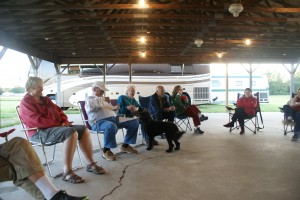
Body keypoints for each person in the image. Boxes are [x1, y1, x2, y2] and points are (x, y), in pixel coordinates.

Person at [19, 77, 105, 185]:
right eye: (38, 87)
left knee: (83, 129)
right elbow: (37, 121)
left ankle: (90, 163)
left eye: (42, 86)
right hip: (39, 132)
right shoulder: (25, 103)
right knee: (70, 132)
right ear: (29, 89)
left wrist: (65, 121)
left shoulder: (45, 100)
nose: (42, 89)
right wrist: (59, 124)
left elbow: (60, 112)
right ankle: (67, 172)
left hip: (55, 128)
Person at [0, 136, 88, 200]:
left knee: (19, 150)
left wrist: (63, 122)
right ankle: (54, 196)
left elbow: (61, 117)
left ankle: (52, 196)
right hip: (42, 131)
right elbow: (38, 120)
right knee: (19, 159)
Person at [85, 81, 139, 161]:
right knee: (111, 126)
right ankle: (106, 150)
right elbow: (93, 103)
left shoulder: (102, 99)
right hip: (99, 122)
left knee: (134, 122)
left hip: (114, 119)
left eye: (103, 91)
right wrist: (103, 99)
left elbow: (111, 108)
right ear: (95, 89)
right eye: (101, 90)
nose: (103, 92)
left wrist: (115, 108)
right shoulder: (89, 99)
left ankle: (125, 146)